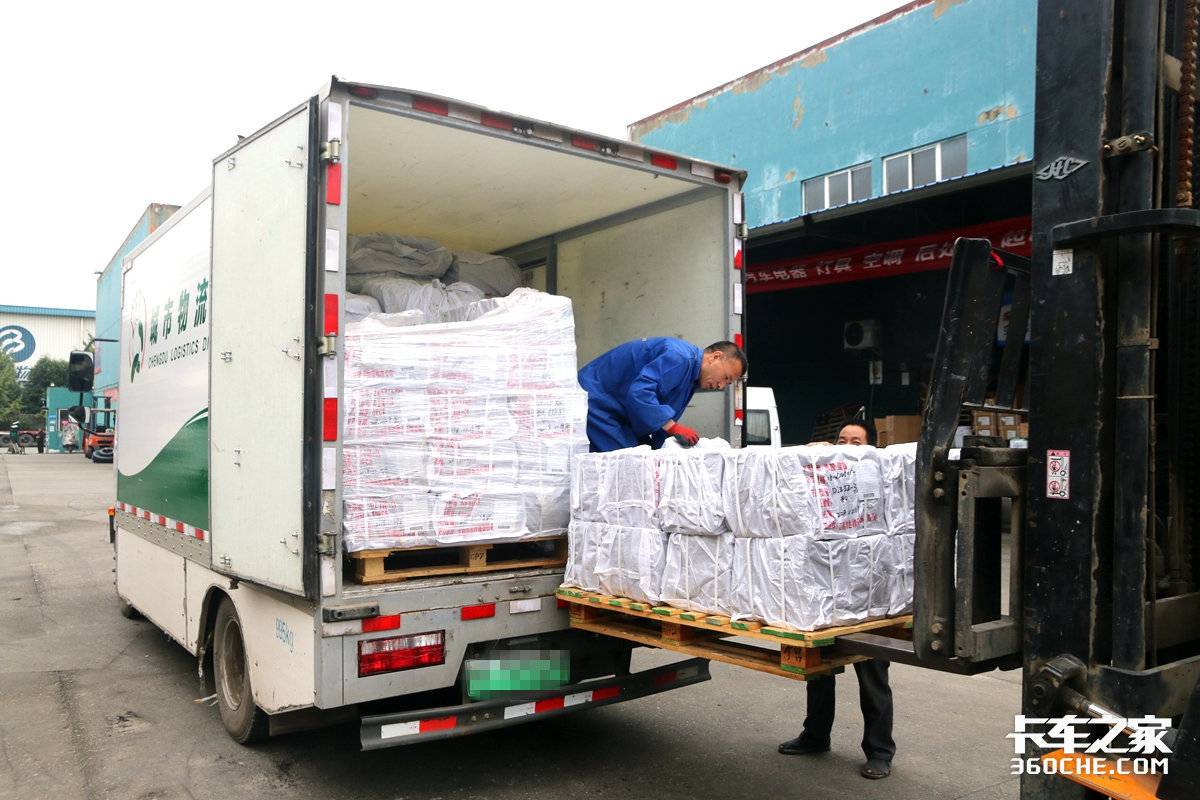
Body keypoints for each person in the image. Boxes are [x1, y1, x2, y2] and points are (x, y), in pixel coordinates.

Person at [778, 419, 896, 780]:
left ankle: (880, 751)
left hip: (868, 601)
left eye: (856, 441)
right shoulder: (824, 480)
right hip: (827, 597)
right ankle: (815, 736)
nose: (846, 446)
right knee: (819, 671)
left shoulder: (878, 480)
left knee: (872, 676)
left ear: (871, 447)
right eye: (841, 440)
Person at [577, 338, 746, 453]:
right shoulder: (680, 357)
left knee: (648, 461)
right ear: (715, 357)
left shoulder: (691, 378)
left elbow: (660, 425)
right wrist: (673, 427)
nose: (721, 386)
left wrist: (667, 447)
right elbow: (640, 392)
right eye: (726, 377)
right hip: (597, 401)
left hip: (617, 412)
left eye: (728, 384)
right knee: (630, 464)